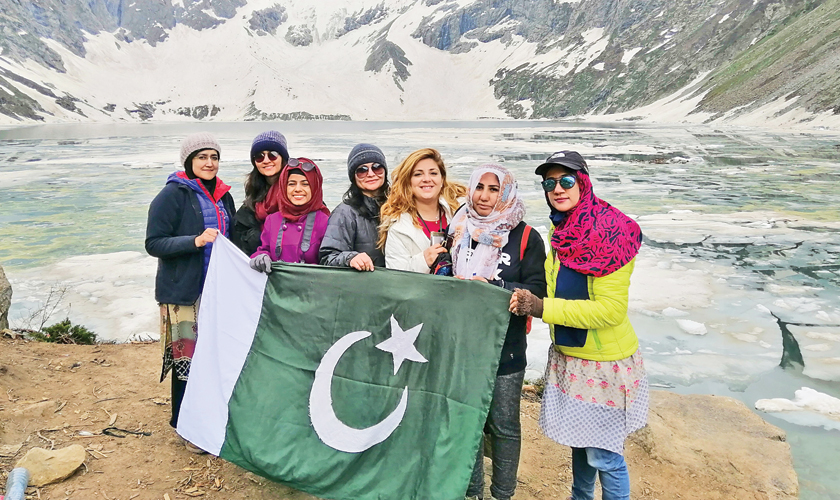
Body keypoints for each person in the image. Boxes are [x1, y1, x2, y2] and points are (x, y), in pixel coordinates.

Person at [509, 151, 648, 500]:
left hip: (603, 364)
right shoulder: (564, 229)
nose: (558, 189)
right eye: (550, 183)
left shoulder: (610, 233)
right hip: (573, 357)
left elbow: (610, 310)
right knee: (581, 444)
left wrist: (541, 307)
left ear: (583, 182)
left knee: (605, 456)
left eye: (566, 180)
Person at [449, 165, 546, 500]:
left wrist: (495, 287)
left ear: (506, 194)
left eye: (494, 189)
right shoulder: (458, 228)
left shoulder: (526, 237)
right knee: (469, 422)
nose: (484, 196)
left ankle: (503, 493)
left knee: (504, 425)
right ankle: (473, 491)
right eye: (479, 187)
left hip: (506, 347)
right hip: (462, 344)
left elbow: (538, 291)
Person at [145, 133, 235, 452]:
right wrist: (194, 241)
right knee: (188, 361)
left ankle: (209, 419)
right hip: (184, 293)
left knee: (212, 358)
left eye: (214, 157)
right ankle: (184, 425)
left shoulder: (223, 195)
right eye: (201, 157)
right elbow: (154, 243)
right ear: (188, 161)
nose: (209, 163)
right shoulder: (173, 195)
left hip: (217, 290)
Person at [378, 148, 466, 273]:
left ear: (442, 179)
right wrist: (423, 261)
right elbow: (395, 276)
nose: (426, 179)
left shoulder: (462, 212)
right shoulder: (399, 228)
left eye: (433, 173)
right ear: (408, 181)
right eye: (418, 174)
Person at [249, 158, 330, 271]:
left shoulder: (325, 222)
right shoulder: (272, 220)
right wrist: (261, 257)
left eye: (305, 184)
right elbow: (264, 249)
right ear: (283, 187)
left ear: (315, 187)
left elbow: (331, 260)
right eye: (291, 184)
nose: (298, 189)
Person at [319, 143, 389, 271]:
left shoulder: (400, 206)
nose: (371, 174)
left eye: (377, 167)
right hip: (366, 282)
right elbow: (328, 258)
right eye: (362, 170)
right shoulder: (344, 213)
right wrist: (350, 258)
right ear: (353, 176)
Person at [232, 130, 290, 256]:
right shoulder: (253, 198)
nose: (266, 160)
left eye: (273, 155)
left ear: (283, 158)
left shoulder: (298, 192)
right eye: (260, 156)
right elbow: (238, 237)